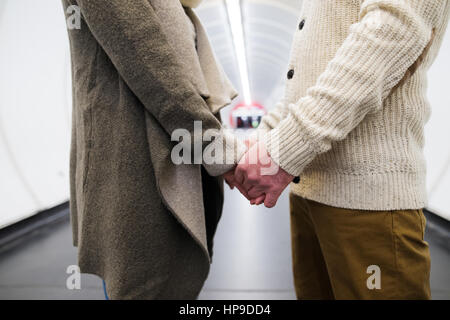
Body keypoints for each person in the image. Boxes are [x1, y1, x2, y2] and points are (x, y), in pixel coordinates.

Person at [234, 0, 450, 299]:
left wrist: (285, 149)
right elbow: (308, 79)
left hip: (368, 202)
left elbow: (389, 34)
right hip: (308, 192)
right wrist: (260, 142)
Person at [63, 0, 245, 299]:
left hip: (178, 155)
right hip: (137, 167)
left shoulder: (180, 7)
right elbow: (150, 63)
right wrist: (218, 150)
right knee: (146, 283)